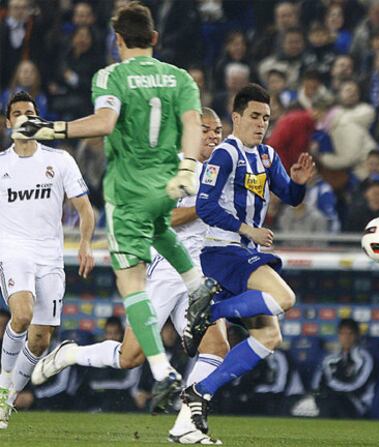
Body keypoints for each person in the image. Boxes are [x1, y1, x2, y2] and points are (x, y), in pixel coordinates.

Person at [13, 2, 220, 413]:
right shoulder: (179, 77)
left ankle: (163, 373)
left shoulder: (111, 74)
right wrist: (188, 167)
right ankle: (198, 286)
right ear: (155, 39)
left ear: (117, 40)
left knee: (132, 287)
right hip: (166, 185)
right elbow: (194, 124)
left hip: (127, 193)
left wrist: (51, 129)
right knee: (162, 230)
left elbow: (105, 123)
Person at [32, 108, 227, 445]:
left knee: (217, 346)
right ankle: (71, 354)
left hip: (199, 273)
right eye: (207, 130)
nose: (214, 136)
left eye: (219, 131)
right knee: (130, 357)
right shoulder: (171, 165)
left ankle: (186, 424)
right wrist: (204, 207)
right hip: (165, 269)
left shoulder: (220, 168)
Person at [181, 84, 314, 435]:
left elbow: (290, 195)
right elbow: (206, 206)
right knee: (285, 298)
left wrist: (299, 184)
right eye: (254, 116)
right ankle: (209, 311)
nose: (261, 124)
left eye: (266, 118)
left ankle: (201, 391)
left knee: (270, 337)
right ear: (236, 116)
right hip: (223, 252)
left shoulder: (268, 157)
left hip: (245, 254)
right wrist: (247, 229)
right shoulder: (226, 154)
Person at [0, 91, 95, 429]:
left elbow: (85, 208)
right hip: (13, 250)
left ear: (38, 119)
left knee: (41, 339)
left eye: (30, 112)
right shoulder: (1, 166)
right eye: (18, 113)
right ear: (8, 122)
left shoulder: (61, 160)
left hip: (50, 256)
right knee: (22, 315)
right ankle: (1, 387)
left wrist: (84, 243)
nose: (24, 117)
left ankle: (8, 398)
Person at [311, 319, 376, 419]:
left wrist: (333, 386)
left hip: (357, 402)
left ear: (357, 335)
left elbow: (359, 386)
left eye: (350, 334)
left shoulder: (364, 357)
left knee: (333, 401)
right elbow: (317, 383)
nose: (346, 338)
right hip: (331, 398)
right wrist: (318, 393)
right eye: (343, 334)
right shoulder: (330, 358)